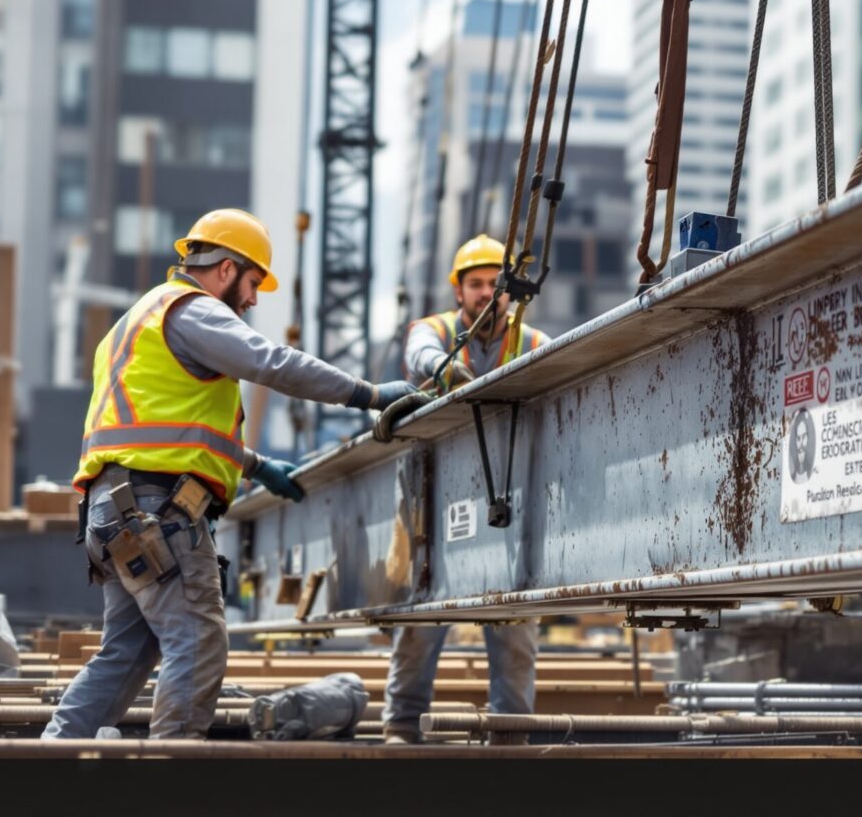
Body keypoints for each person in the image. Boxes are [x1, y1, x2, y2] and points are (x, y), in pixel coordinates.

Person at [43, 209, 424, 740]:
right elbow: (272, 363)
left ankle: (52, 760)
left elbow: (166, 426)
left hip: (114, 512)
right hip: (158, 511)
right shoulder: (193, 310)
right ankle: (171, 779)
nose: (252, 300)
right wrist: (370, 395)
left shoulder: (136, 322)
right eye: (251, 283)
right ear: (225, 268)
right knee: (198, 643)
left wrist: (257, 465)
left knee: (128, 649)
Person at [383, 233, 549, 744]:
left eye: (493, 285)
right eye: (474, 284)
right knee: (422, 615)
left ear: (509, 292)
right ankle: (402, 728)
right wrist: (443, 367)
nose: (484, 293)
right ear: (459, 291)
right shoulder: (432, 330)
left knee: (514, 620)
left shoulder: (534, 343)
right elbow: (420, 352)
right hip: (431, 495)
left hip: (505, 497)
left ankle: (510, 737)